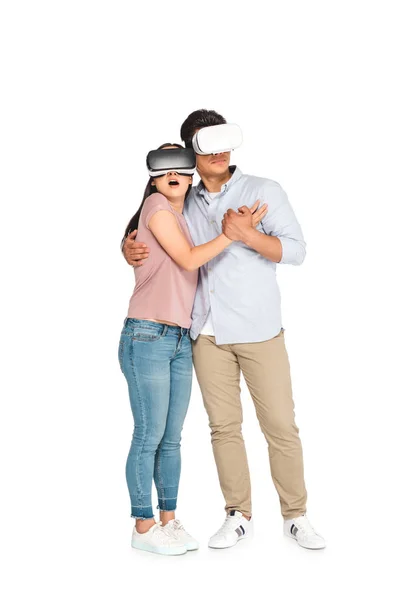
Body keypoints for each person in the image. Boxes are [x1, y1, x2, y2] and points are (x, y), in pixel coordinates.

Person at [122, 110, 326, 551]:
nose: (217, 151)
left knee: (280, 426)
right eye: (204, 144)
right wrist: (126, 245)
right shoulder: (181, 196)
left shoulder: (262, 190)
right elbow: (151, 228)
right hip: (204, 334)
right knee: (223, 428)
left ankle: (296, 515)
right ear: (190, 152)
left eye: (223, 142)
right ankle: (238, 514)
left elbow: (296, 251)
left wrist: (247, 234)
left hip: (259, 330)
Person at [119, 142, 267, 555]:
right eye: (165, 169)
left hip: (180, 338)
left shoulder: (180, 216)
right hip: (147, 335)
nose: (175, 175)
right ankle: (143, 526)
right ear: (152, 177)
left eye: (183, 169)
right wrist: (231, 233)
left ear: (191, 175)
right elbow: (187, 260)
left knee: (171, 439)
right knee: (148, 435)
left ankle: (168, 520)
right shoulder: (157, 209)